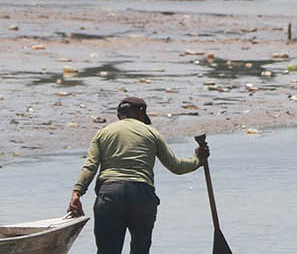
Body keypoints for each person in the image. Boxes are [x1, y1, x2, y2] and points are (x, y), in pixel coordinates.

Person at [67, 96, 209, 254]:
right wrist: (198, 160)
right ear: (141, 114)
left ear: (119, 115)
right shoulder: (151, 133)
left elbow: (90, 166)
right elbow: (176, 166)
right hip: (142, 196)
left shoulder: (103, 133)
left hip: (110, 196)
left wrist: (77, 193)